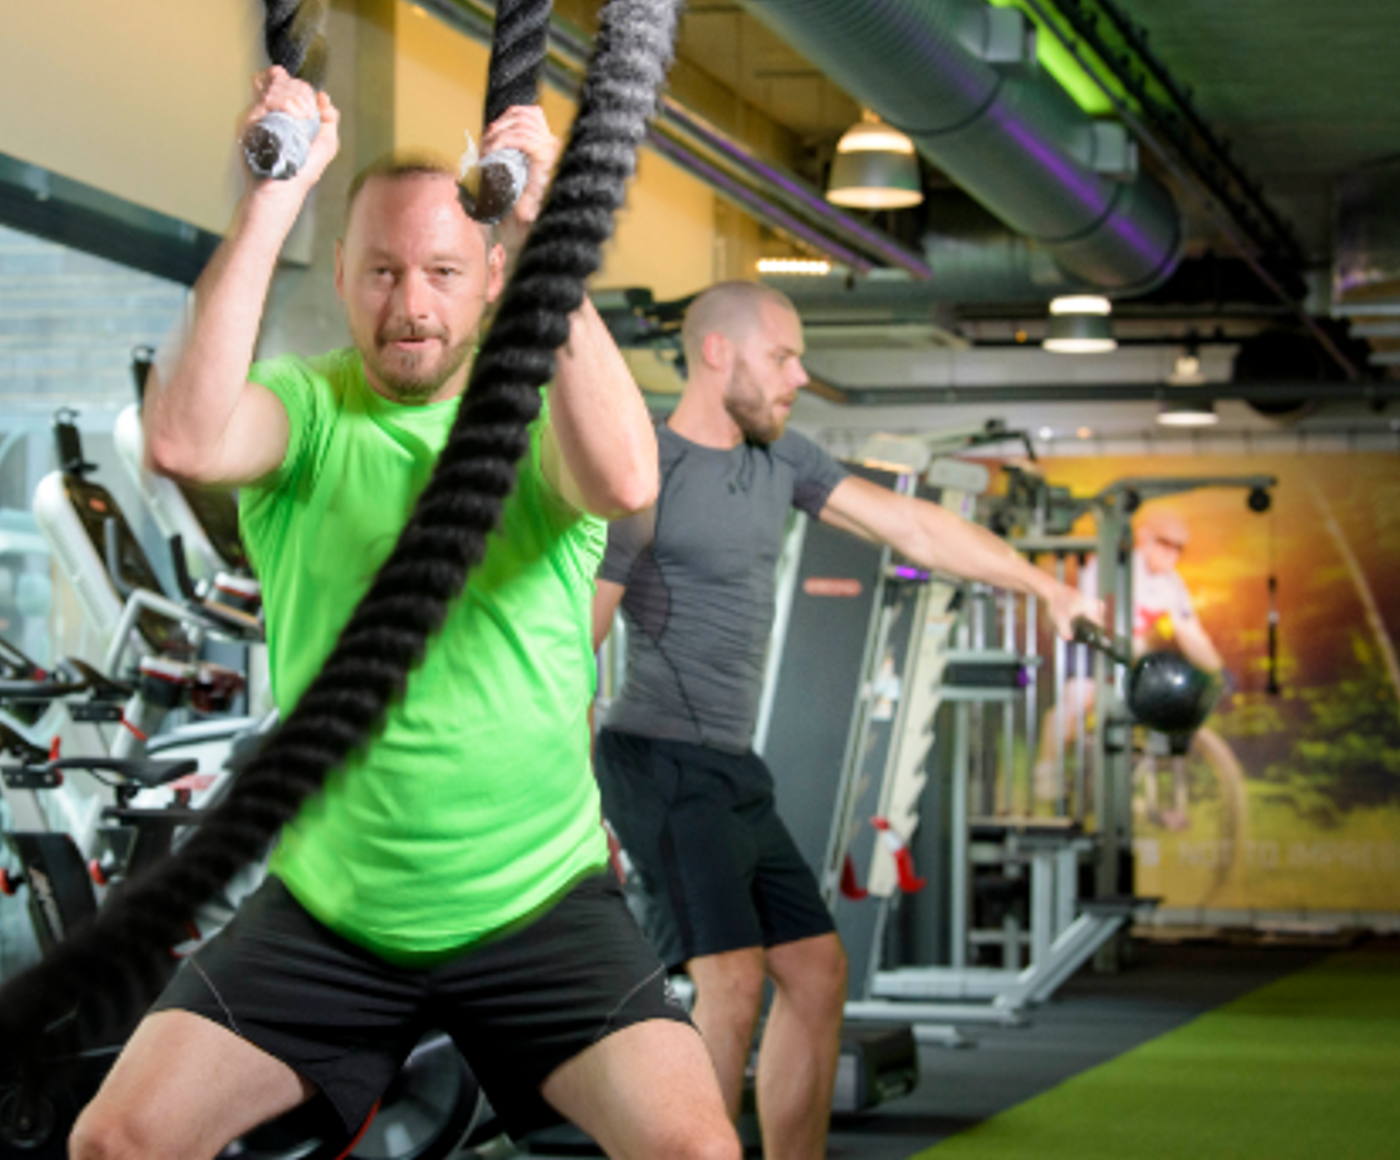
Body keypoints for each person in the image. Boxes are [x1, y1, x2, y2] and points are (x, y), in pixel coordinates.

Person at [71, 68, 740, 1160]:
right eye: (381, 271)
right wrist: (273, 196)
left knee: (696, 1151)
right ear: (341, 275)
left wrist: (546, 229)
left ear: (490, 282)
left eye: (440, 271)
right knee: (121, 1141)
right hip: (333, 912)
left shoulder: (531, 416)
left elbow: (625, 478)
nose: (410, 305)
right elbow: (183, 439)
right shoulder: (309, 411)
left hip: (537, 902)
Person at [592, 280, 1100, 1160]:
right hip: (655, 759)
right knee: (733, 980)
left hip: (730, 769)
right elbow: (574, 644)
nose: (799, 374)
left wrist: (1044, 583)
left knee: (818, 972)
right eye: (782, 355)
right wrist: (573, 799)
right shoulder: (647, 471)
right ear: (718, 352)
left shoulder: (781, 460)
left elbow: (911, 525)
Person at [1129, 505, 1224, 830]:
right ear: (1143, 539)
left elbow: (1189, 630)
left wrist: (1216, 671)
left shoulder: (1172, 583)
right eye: (1165, 543)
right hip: (1097, 656)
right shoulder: (1114, 567)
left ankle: (1163, 799)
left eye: (1178, 548)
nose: (1173, 554)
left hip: (1138, 662)